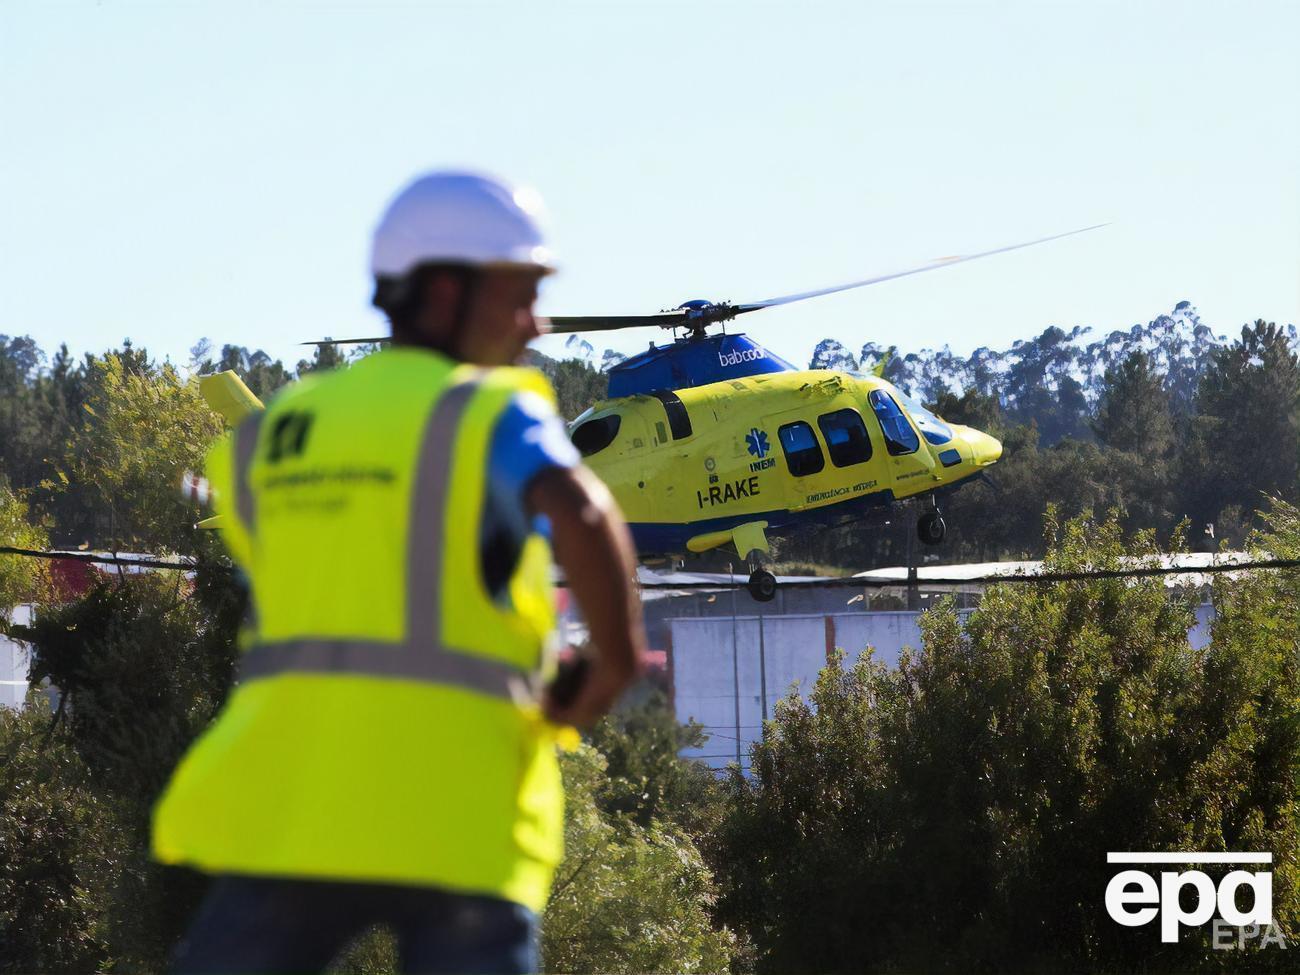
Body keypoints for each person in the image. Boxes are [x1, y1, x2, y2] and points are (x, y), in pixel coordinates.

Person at [152, 171, 647, 973]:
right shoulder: (486, 409)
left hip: (295, 810)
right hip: (460, 813)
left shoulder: (282, 426)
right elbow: (585, 513)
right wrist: (614, 663)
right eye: (520, 295)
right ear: (445, 292)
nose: (537, 321)